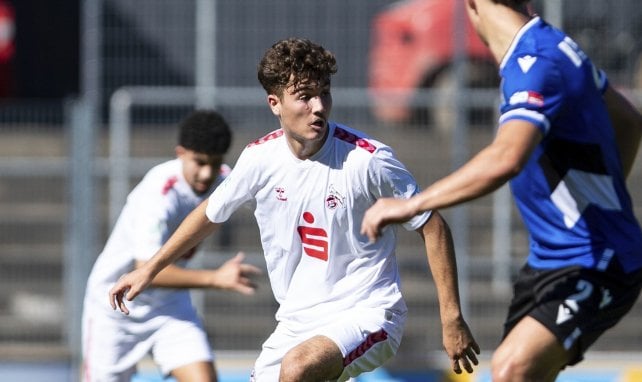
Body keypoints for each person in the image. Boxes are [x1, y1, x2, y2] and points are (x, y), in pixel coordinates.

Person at [108, 37, 480, 381]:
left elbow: (432, 225)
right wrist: (151, 270)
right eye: (304, 96)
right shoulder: (258, 159)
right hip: (296, 324)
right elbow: (210, 213)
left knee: (299, 366)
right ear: (275, 104)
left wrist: (452, 319)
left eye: (324, 94)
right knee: (298, 364)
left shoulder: (369, 160)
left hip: (369, 314)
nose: (318, 107)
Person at [361, 1, 642, 381]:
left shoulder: (535, 61)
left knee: (512, 369)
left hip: (596, 262)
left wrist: (413, 204)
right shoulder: (553, 45)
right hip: (552, 261)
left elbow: (507, 157)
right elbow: (627, 120)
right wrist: (603, 202)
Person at [82, 110, 262, 382]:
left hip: (168, 308)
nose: (206, 173)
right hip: (115, 310)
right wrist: (216, 278)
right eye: (199, 162)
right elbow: (146, 272)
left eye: (214, 164)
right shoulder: (158, 193)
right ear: (180, 153)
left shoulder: (224, 180)